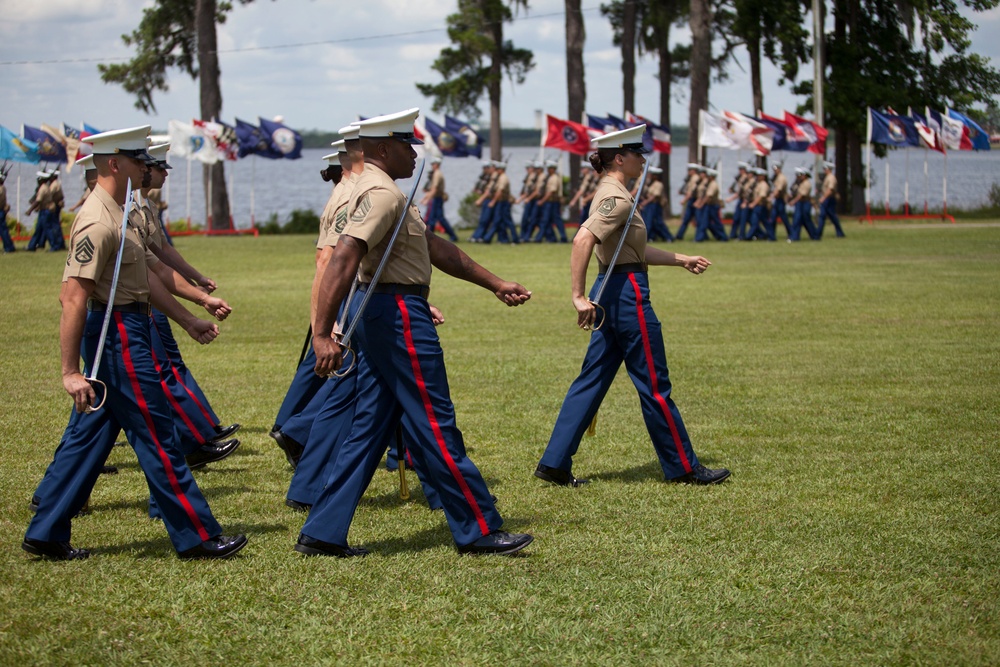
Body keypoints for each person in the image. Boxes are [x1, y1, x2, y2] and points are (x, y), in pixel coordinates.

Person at [299, 108, 533, 557]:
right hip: (397, 313)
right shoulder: (383, 194)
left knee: (369, 426)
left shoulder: (381, 191)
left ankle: (323, 531)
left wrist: (495, 283)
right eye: (407, 145)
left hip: (384, 309)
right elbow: (344, 258)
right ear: (384, 149)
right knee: (434, 419)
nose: (413, 153)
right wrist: (322, 333)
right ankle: (478, 527)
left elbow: (433, 248)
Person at [23, 125, 247, 561]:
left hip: (132, 326)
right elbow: (72, 296)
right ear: (113, 163)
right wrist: (71, 372)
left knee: (96, 434)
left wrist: (187, 318)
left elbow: (148, 274)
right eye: (138, 161)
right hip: (117, 335)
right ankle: (197, 536)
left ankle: (47, 530)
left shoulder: (119, 213)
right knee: (159, 435)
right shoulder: (96, 221)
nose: (147, 168)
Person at [534, 125, 730, 490]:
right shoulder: (618, 198)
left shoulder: (613, 194)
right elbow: (583, 239)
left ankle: (554, 462)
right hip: (625, 294)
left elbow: (632, 252)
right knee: (654, 382)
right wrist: (577, 296)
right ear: (619, 158)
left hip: (612, 286)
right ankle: (683, 466)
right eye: (637, 153)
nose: (643, 159)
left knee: (591, 380)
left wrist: (680, 258)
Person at [138, 144, 242, 467]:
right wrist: (199, 300)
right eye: (159, 166)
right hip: (135, 308)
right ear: (142, 168)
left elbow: (161, 254)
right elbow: (153, 267)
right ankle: (193, 441)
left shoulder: (143, 206)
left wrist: (198, 282)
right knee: (156, 377)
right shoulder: (128, 210)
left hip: (146, 303)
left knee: (166, 370)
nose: (165, 172)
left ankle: (200, 432)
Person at [421, 157, 458, 242]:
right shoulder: (436, 174)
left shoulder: (437, 174)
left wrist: (426, 199)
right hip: (436, 198)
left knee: (434, 218)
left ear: (437, 165)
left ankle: (430, 237)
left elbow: (434, 189)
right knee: (437, 218)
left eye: (433, 164)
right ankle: (451, 235)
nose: (432, 166)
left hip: (437, 198)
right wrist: (425, 198)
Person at [482, 161, 519, 244]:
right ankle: (491, 238)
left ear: (502, 169)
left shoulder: (503, 178)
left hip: (503, 202)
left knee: (508, 221)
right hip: (500, 202)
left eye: (498, 169)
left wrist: (493, 201)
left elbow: (500, 191)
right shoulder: (499, 177)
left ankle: (515, 239)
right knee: (497, 220)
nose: (497, 170)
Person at [534, 160, 567, 243]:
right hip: (550, 202)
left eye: (550, 168)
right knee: (546, 220)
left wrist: (542, 200)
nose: (548, 170)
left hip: (553, 202)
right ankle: (549, 237)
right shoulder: (549, 177)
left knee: (555, 220)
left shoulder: (554, 178)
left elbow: (551, 192)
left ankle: (563, 237)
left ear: (553, 169)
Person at [640, 167, 674, 242]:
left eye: (651, 174)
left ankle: (668, 237)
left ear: (655, 176)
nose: (649, 175)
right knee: (649, 221)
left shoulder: (658, 184)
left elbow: (654, 196)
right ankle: (651, 237)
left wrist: (645, 202)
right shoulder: (651, 183)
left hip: (655, 205)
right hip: (650, 205)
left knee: (658, 222)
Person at [788, 167, 819, 241]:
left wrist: (793, 201)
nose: (798, 176)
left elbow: (801, 195)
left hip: (805, 203)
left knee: (806, 221)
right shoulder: (799, 183)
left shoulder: (806, 183)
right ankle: (795, 236)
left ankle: (814, 235)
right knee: (797, 220)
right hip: (800, 203)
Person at [817, 160, 845, 238]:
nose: (824, 170)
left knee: (823, 216)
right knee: (831, 216)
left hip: (828, 199)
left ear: (828, 169)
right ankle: (839, 233)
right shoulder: (828, 177)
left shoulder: (831, 178)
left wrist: (823, 198)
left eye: (825, 168)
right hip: (828, 198)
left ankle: (818, 233)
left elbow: (830, 190)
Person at [469, 160, 495, 242]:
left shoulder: (493, 177)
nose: (485, 169)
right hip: (485, 199)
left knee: (485, 219)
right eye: (484, 168)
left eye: (487, 167)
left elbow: (488, 191)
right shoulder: (484, 176)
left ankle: (479, 236)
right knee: (484, 219)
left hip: (489, 199)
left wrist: (480, 199)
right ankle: (478, 236)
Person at [744, 168, 773, 241]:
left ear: (763, 176)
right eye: (757, 175)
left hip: (760, 206)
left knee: (756, 222)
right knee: (760, 222)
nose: (757, 177)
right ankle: (768, 236)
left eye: (759, 175)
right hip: (758, 206)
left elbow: (761, 196)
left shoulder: (763, 185)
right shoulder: (758, 184)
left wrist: (753, 204)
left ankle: (748, 237)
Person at [675, 163, 700, 240]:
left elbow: (691, 192)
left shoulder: (695, 178)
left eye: (690, 170)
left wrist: (684, 200)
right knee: (687, 219)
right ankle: (679, 235)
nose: (688, 172)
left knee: (697, 220)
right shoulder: (691, 178)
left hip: (694, 200)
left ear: (694, 170)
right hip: (691, 200)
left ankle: (699, 237)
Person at [769, 162, 792, 239]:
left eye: (776, 169)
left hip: (780, 200)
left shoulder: (781, 178)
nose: (775, 171)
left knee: (784, 219)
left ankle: (790, 233)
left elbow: (778, 190)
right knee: (773, 218)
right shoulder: (777, 177)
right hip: (778, 200)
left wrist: (771, 197)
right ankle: (772, 236)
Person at [0, 170, 14, 253]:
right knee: (4, 230)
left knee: (3, 231)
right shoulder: (3, 187)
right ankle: (9, 246)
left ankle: (9, 247)